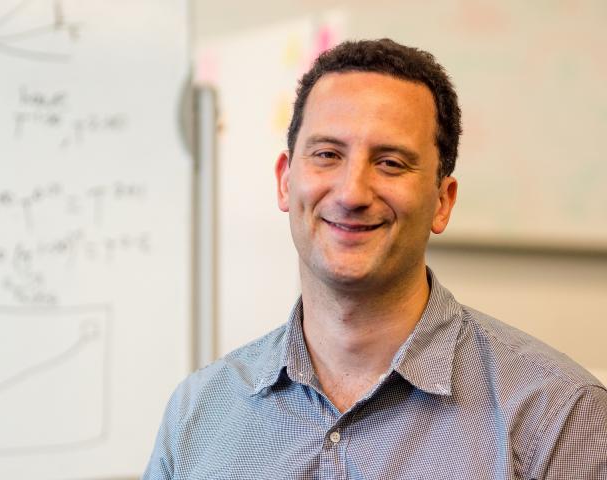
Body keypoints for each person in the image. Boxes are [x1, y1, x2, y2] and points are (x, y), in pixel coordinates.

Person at [144, 39, 607, 479]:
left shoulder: (559, 415)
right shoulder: (198, 412)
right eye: (327, 155)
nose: (351, 193)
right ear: (286, 181)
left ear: (442, 201)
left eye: (390, 163)